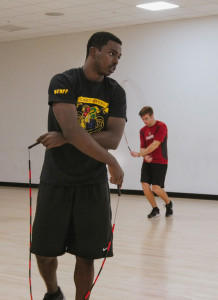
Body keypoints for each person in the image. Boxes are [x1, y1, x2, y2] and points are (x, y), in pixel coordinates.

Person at [31, 31, 127, 300]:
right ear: (93, 51)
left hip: (92, 184)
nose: (116, 60)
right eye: (111, 53)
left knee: (87, 255)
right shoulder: (64, 81)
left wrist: (64, 137)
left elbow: (114, 138)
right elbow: (72, 129)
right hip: (56, 180)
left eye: (119, 56)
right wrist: (109, 160)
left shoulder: (115, 92)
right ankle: (53, 293)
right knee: (44, 252)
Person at [131, 106, 173, 218]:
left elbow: (155, 144)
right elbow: (142, 147)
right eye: (143, 119)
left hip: (160, 161)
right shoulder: (142, 131)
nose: (145, 121)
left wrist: (140, 154)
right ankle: (155, 209)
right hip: (147, 162)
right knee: (145, 185)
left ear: (152, 115)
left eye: (146, 118)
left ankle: (169, 204)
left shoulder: (161, 126)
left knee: (156, 188)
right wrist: (143, 156)